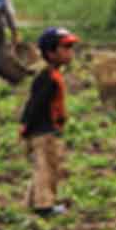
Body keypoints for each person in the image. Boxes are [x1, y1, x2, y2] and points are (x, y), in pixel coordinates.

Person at [20, 26, 78, 216]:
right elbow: (34, 104)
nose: (70, 53)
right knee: (47, 168)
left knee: (43, 166)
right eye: (65, 48)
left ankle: (31, 202)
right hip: (43, 130)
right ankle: (44, 206)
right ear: (51, 53)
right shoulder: (46, 78)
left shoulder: (52, 75)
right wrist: (27, 126)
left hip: (47, 128)